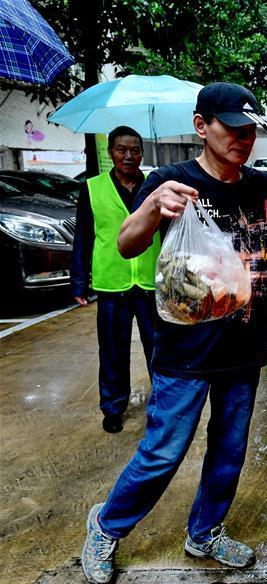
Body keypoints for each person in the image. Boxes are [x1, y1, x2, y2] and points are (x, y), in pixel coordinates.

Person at [80, 82, 267, 584]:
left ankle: (204, 531)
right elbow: (128, 242)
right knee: (163, 451)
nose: (243, 138)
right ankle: (106, 524)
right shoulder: (170, 179)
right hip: (183, 351)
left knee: (229, 451)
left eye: (250, 130)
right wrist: (154, 203)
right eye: (232, 127)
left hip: (242, 353)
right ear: (202, 126)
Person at [71, 126, 159, 434]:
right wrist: (79, 280)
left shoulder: (155, 186)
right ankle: (112, 407)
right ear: (111, 153)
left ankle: (162, 406)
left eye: (135, 150)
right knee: (111, 350)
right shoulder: (92, 188)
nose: (129, 156)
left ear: (142, 153)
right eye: (122, 149)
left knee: (158, 348)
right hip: (111, 283)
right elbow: (82, 237)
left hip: (151, 283)